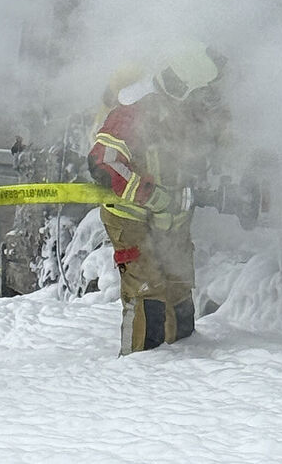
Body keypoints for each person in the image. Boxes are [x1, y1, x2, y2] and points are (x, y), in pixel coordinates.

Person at [88, 42, 229, 355]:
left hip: (171, 219)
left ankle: (180, 369)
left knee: (178, 293)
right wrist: (149, 194)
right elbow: (102, 160)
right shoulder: (135, 112)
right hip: (131, 218)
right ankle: (139, 369)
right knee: (147, 292)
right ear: (186, 89)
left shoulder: (189, 119)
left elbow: (192, 161)